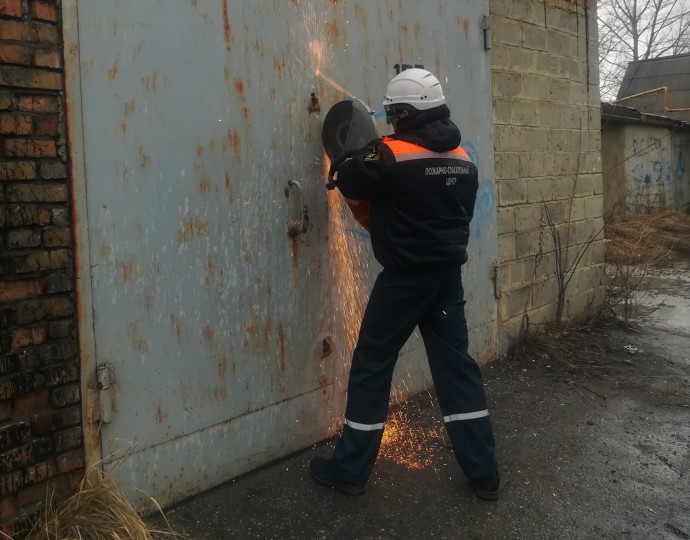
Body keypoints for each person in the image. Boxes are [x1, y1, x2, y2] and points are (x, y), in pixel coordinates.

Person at [310, 68, 501, 500]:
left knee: (372, 366)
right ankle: (484, 472)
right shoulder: (464, 161)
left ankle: (350, 471)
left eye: (395, 112)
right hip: (446, 284)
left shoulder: (390, 155)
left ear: (406, 112)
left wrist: (351, 154)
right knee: (457, 372)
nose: (392, 119)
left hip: (403, 284)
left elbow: (351, 175)